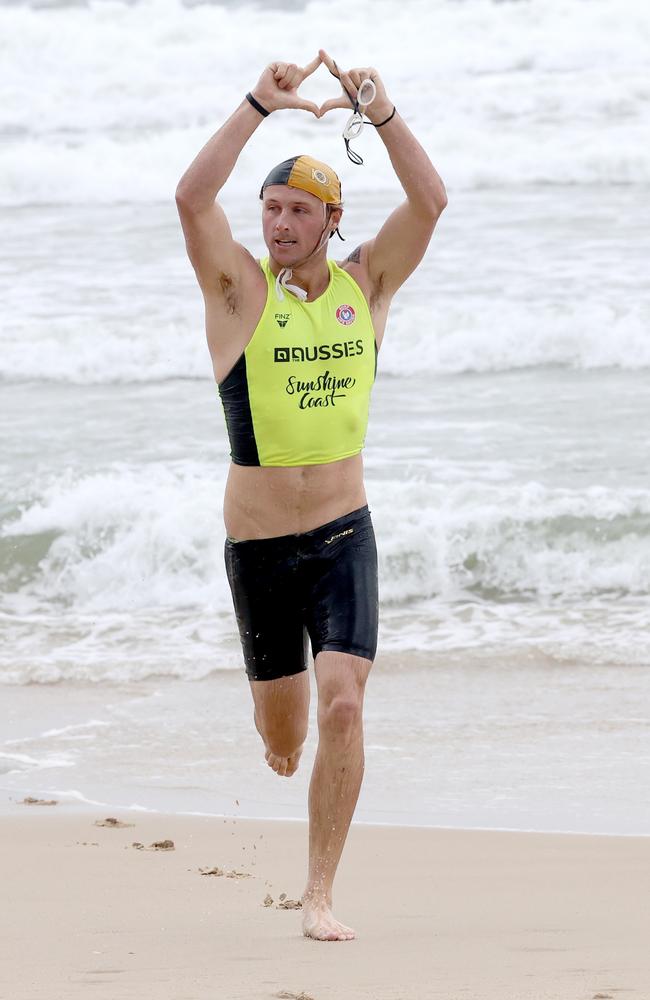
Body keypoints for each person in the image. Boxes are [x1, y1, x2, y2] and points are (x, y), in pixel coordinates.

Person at [175, 49, 447, 942]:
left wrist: (381, 109)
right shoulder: (239, 294)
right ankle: (277, 737)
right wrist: (261, 103)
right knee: (286, 738)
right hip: (258, 550)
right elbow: (190, 198)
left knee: (345, 702)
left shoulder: (367, 286)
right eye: (271, 209)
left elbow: (432, 201)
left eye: (298, 211)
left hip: (343, 535)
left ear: (332, 219)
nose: (280, 224)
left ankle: (318, 895)